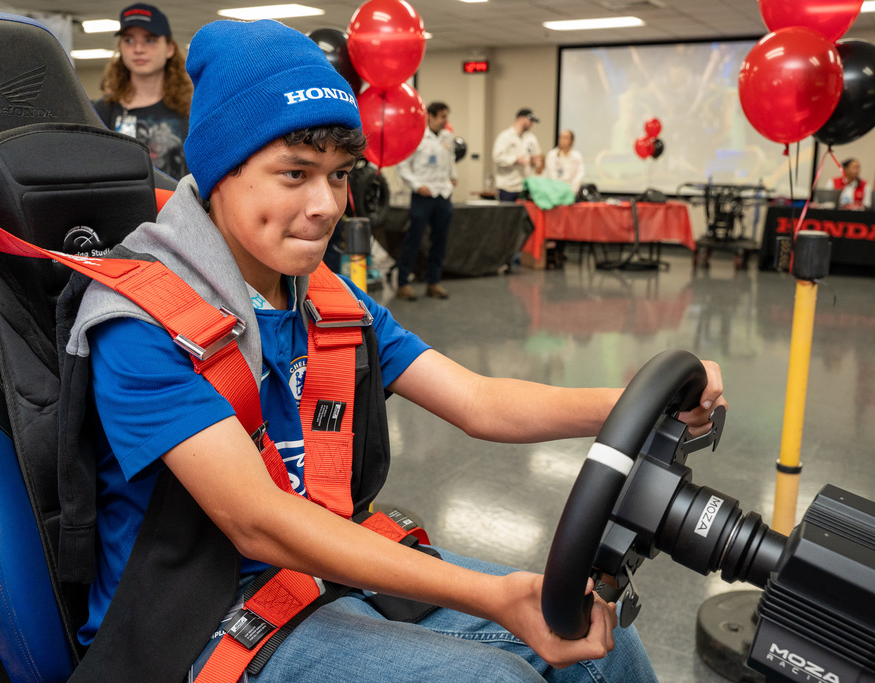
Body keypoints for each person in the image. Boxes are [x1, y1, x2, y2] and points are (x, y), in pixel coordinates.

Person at [70, 19, 727, 681]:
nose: (327, 204)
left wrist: (637, 403)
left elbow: (478, 400)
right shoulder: (141, 321)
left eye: (339, 174)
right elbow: (257, 521)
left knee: (608, 651)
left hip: (318, 572)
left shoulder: (329, 301)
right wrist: (496, 599)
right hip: (196, 616)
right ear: (217, 172)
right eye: (294, 174)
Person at [92, 3, 192, 180]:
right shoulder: (102, 111)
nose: (138, 49)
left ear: (169, 48)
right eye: (129, 40)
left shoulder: (191, 108)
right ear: (121, 47)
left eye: (150, 40)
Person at [394, 101, 457, 301]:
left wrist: (453, 176)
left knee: (440, 240)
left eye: (446, 116)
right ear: (430, 115)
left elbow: (451, 161)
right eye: (442, 116)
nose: (445, 120)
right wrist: (416, 185)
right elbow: (402, 165)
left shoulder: (448, 137)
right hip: (423, 194)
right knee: (414, 239)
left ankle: (434, 282)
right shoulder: (417, 136)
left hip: (443, 194)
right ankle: (403, 283)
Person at [492, 108, 543, 201]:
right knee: (508, 215)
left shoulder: (531, 139)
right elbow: (497, 158)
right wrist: (515, 160)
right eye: (530, 120)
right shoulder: (505, 136)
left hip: (526, 186)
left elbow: (538, 159)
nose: (532, 123)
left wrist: (534, 162)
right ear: (520, 118)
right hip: (508, 186)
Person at [543, 129, 585, 195]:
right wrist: (559, 190)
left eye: (566, 138)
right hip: (554, 191)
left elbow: (579, 174)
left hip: (572, 191)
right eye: (561, 137)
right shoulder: (552, 154)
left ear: (572, 141)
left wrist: (572, 190)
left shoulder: (577, 156)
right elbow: (552, 175)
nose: (562, 140)